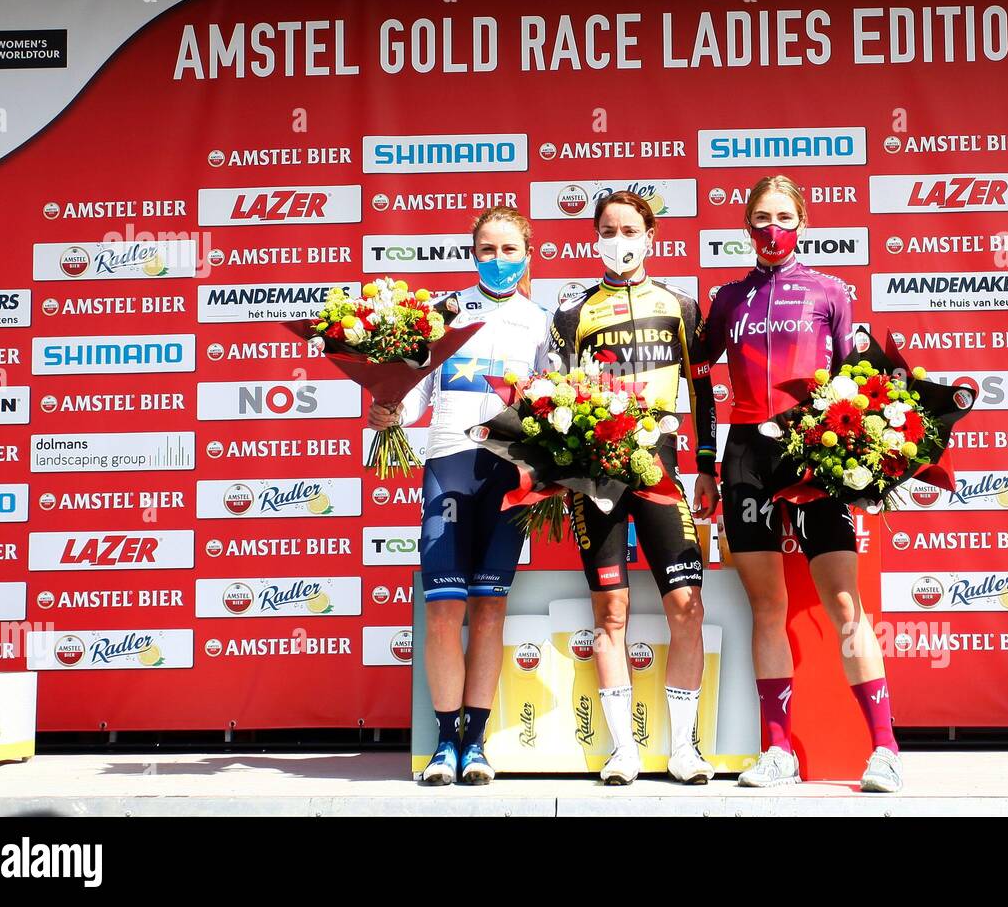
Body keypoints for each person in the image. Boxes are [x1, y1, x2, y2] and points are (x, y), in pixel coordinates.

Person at [697, 175, 902, 792]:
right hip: (745, 459)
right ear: (745, 227)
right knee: (768, 608)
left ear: (803, 222)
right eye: (760, 218)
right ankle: (778, 751)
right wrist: (707, 464)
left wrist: (864, 458)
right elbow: (703, 382)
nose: (771, 229)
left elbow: (858, 382)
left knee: (846, 605)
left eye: (783, 217)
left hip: (814, 453)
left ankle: (885, 750)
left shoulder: (831, 292)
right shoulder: (727, 299)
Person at [368, 206, 551, 786]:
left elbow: (550, 403)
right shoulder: (444, 313)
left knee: (490, 607)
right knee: (444, 608)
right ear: (472, 255)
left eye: (508, 251)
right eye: (486, 252)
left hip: (508, 473)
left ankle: (476, 743)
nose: (497, 261)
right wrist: (386, 410)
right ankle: (444, 745)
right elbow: (415, 397)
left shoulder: (540, 321)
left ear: (527, 253)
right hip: (448, 465)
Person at [550, 190, 720, 786]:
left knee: (687, 608)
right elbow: (554, 397)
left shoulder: (680, 305)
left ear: (651, 237)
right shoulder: (572, 312)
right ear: (593, 236)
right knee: (611, 611)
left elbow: (702, 396)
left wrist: (707, 465)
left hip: (663, 475)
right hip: (594, 479)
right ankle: (623, 751)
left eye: (629, 229)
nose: (617, 240)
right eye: (606, 230)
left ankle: (685, 750)